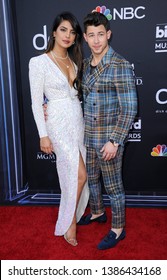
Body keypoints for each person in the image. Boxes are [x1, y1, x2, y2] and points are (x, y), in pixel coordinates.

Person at [78, 12, 138, 250]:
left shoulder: (119, 65)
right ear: (84, 37)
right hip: (89, 135)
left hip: (109, 140)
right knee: (92, 180)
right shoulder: (84, 64)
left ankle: (118, 228)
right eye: (91, 35)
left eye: (100, 35)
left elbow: (130, 107)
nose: (96, 40)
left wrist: (115, 141)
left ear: (108, 35)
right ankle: (96, 212)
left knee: (113, 187)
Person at [29, 12, 89, 247]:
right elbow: (36, 101)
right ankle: (69, 223)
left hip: (77, 120)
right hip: (56, 122)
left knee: (71, 177)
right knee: (79, 175)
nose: (68, 35)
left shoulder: (74, 62)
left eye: (72, 32)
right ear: (53, 32)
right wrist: (43, 134)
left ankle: (68, 218)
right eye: (63, 29)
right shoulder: (38, 62)